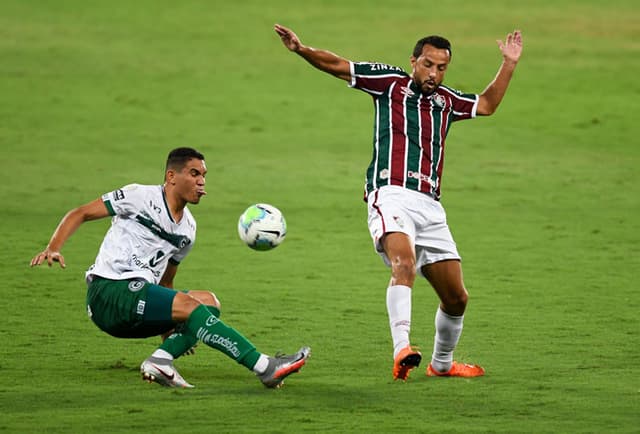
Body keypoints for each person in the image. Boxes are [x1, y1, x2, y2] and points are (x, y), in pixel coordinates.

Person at [275, 24, 522, 380]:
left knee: (457, 298)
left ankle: (441, 364)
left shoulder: (446, 102)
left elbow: (486, 105)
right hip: (389, 193)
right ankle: (401, 348)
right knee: (403, 263)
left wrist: (509, 64)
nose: (434, 73)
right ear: (413, 61)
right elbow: (339, 65)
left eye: (441, 68)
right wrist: (301, 49)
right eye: (428, 64)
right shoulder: (389, 83)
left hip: (430, 206)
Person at [30, 147, 310, 388]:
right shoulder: (138, 196)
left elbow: (165, 284)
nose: (202, 182)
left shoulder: (188, 229)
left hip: (138, 301)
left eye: (204, 176)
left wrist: (171, 328)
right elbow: (81, 212)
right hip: (109, 292)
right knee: (190, 307)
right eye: (194, 174)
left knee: (207, 302)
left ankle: (161, 359)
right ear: (171, 177)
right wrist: (54, 247)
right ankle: (265, 368)